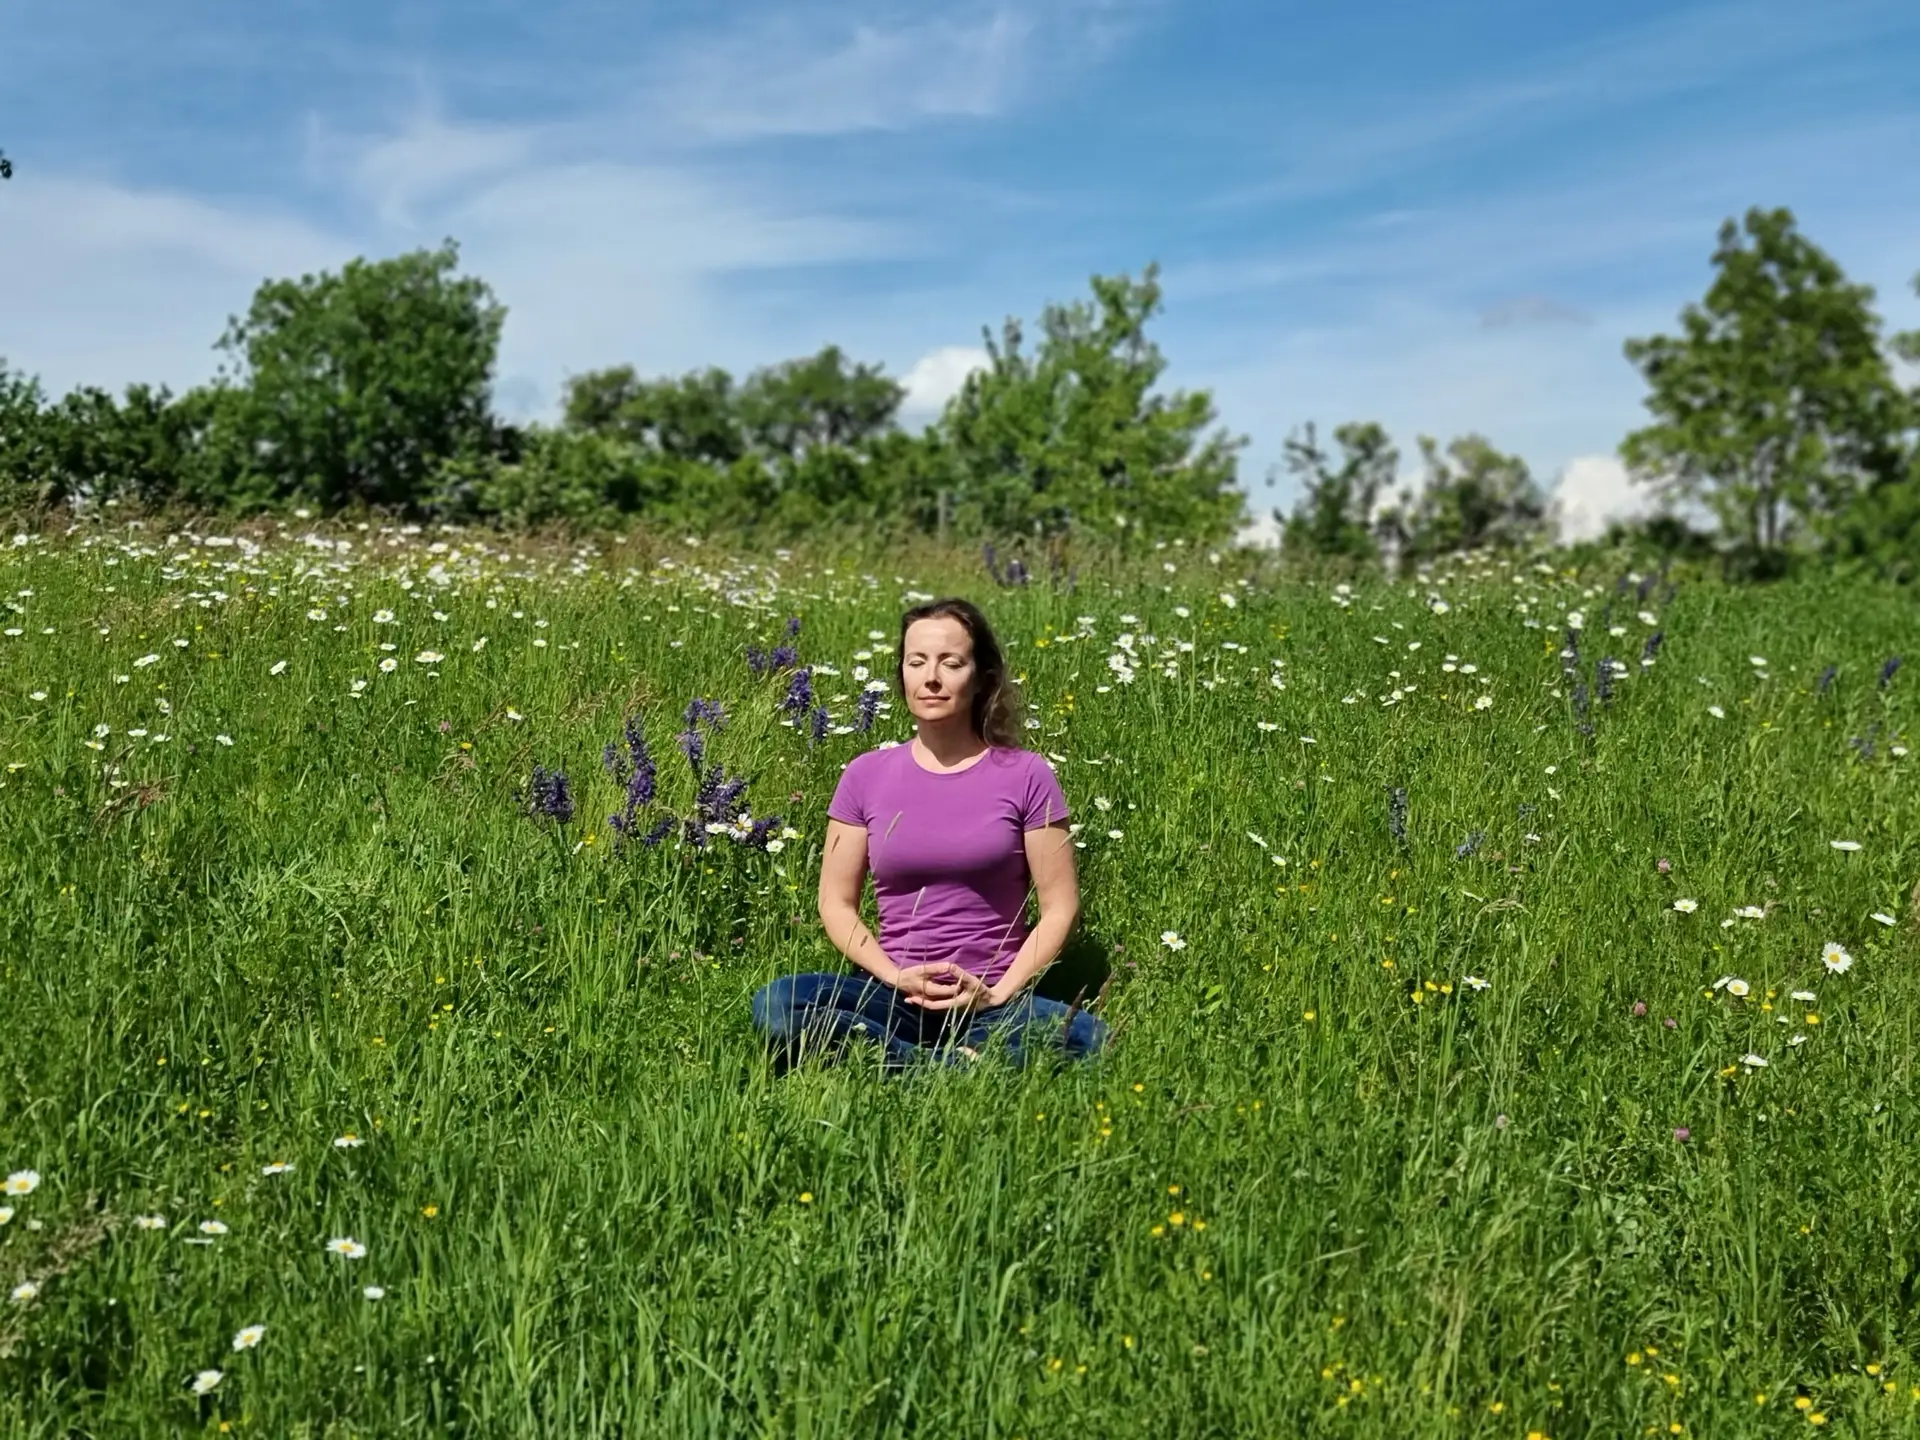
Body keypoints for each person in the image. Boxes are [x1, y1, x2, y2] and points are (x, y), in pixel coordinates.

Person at [751, 597, 1109, 1071]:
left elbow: (1061, 908)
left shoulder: (1025, 774)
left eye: (950, 662)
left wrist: (998, 992)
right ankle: (951, 1067)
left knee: (1091, 1039)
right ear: (902, 674)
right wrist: (896, 977)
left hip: (992, 1002)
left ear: (981, 678)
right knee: (779, 1004)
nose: (932, 677)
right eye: (916, 662)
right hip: (893, 996)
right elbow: (835, 903)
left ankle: (895, 1064)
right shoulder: (865, 775)